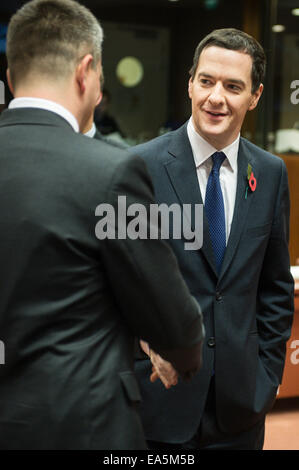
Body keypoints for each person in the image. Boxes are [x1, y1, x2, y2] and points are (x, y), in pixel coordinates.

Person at [0, 0, 205, 450]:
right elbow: (169, 312)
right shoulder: (113, 172)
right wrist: (184, 355)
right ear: (86, 71)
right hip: (78, 423)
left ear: (12, 78)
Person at [133, 28, 294, 450]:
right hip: (160, 402)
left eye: (233, 86)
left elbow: (275, 288)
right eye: (206, 81)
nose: (216, 97)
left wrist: (267, 378)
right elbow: (116, 280)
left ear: (255, 96)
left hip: (242, 406)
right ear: (190, 83)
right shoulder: (140, 168)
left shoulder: (272, 172)